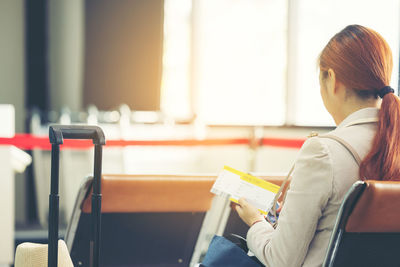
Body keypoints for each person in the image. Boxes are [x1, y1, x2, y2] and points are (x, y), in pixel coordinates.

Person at [235, 24, 400, 267]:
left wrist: (256, 223)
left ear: (331, 79)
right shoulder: (391, 144)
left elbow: (280, 260)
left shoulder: (323, 152)